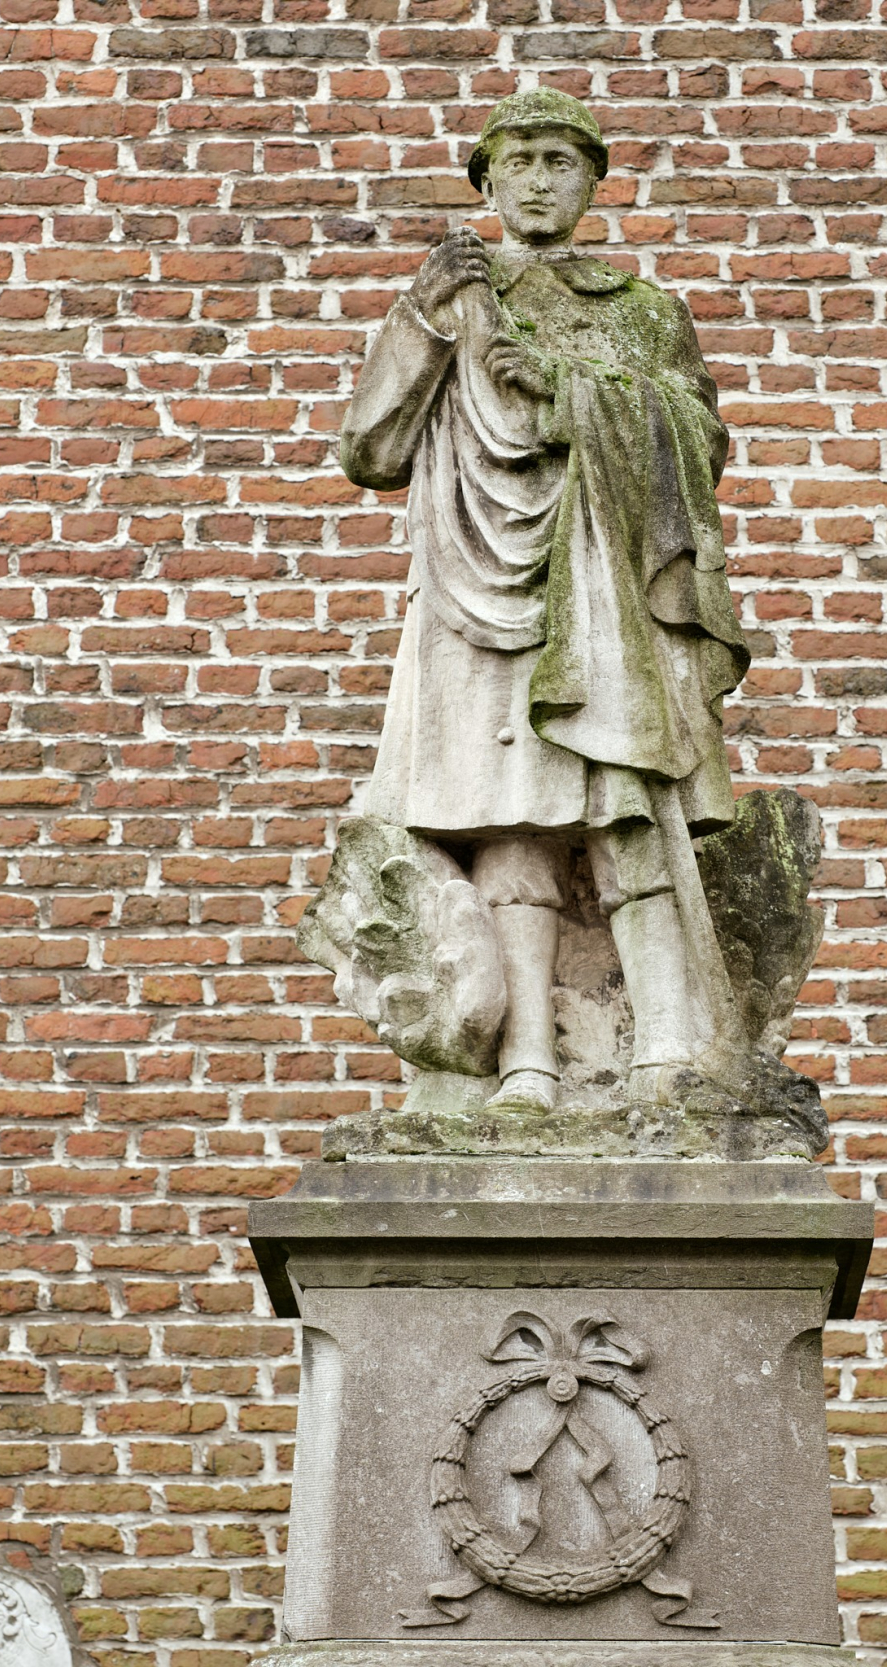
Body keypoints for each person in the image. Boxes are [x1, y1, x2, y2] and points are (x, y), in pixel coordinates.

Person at [339, 88, 750, 1111]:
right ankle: (525, 1058)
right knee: (508, 824)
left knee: (623, 809)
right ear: (486, 179)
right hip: (473, 591)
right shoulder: (447, 299)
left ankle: (666, 1048)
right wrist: (425, 323)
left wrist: (571, 393)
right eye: (515, 160)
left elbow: (697, 439)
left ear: (590, 180)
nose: (536, 180)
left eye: (558, 161)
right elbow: (370, 449)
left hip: (603, 585)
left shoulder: (641, 310)